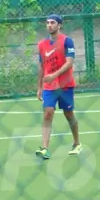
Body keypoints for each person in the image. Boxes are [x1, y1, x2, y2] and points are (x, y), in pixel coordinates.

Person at [35, 14, 82, 159]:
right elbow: (42, 67)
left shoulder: (67, 41)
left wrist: (54, 75)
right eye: (47, 22)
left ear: (59, 25)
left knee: (69, 114)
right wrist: (40, 87)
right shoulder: (41, 45)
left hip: (65, 85)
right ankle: (44, 148)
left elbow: (69, 62)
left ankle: (76, 143)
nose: (49, 25)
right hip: (49, 86)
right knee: (48, 112)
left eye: (53, 22)